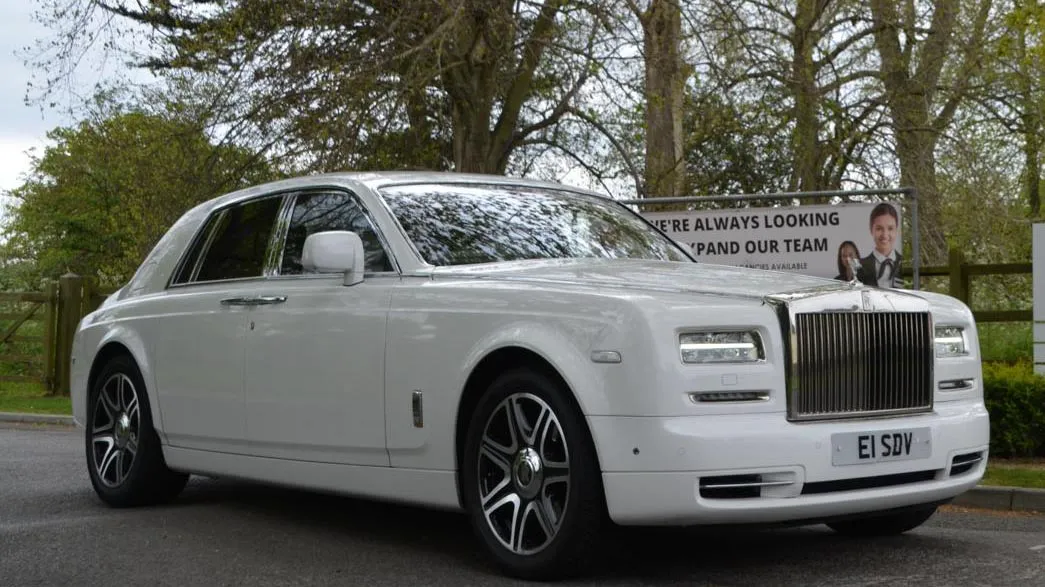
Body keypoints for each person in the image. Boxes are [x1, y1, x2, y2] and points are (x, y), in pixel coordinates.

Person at [857, 202, 901, 288]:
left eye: (890, 228)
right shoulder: (860, 267)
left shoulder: (904, 262)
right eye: (879, 229)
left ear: (897, 230)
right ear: (871, 230)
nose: (885, 235)